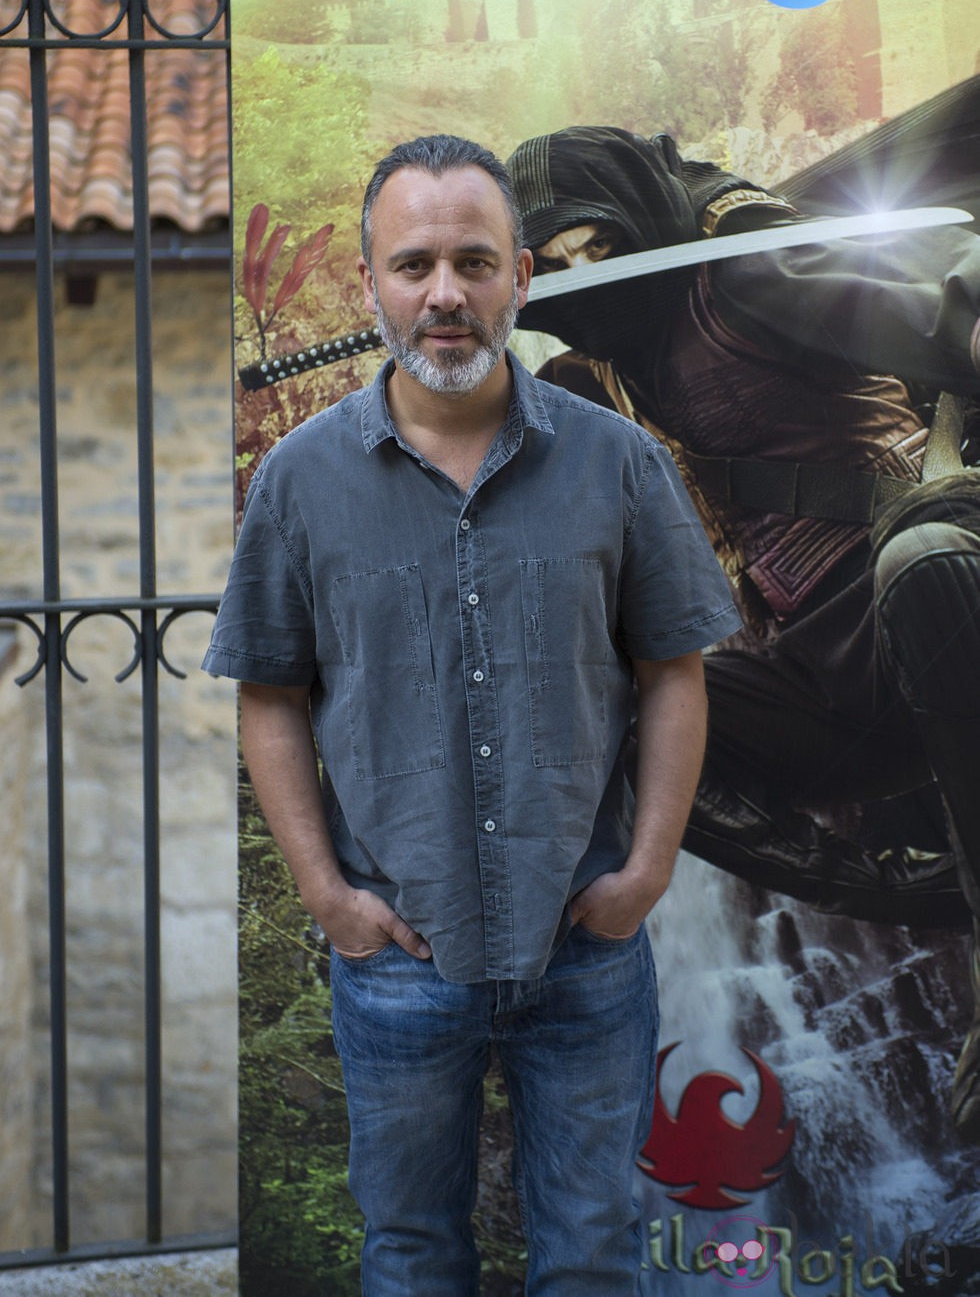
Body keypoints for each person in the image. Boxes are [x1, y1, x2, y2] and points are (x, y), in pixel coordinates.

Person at [203, 134, 741, 1295]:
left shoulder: (619, 464)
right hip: (397, 956)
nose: (443, 292)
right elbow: (270, 695)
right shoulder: (299, 481)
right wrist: (327, 898)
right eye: (412, 265)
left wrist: (646, 870)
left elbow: (671, 672)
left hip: (585, 953)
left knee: (591, 1255)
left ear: (521, 279)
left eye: (473, 261)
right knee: (408, 1253)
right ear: (371, 286)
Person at [506, 119, 980, 1141]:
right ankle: (919, 894)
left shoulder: (752, 270)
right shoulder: (604, 365)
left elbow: (943, 296)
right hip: (828, 674)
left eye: (598, 241)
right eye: (552, 262)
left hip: (943, 587)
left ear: (638, 214)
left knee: (921, 564)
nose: (584, 272)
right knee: (605, 711)